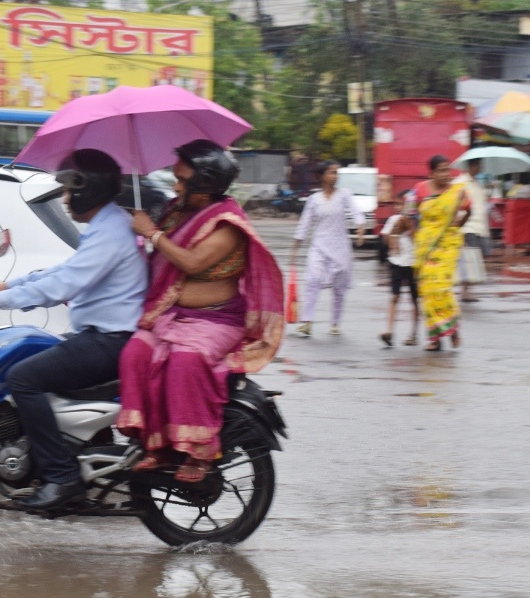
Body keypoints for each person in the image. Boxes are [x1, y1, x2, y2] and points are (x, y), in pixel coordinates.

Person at [0, 149, 147, 510]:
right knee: (27, 354)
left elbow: (64, 286)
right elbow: (62, 272)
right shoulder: (106, 225)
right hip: (101, 337)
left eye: (67, 190)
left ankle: (62, 478)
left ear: (86, 189)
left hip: (109, 341)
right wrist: (3, 286)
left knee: (22, 378)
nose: (64, 199)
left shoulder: (110, 230)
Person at [115, 139, 284, 484]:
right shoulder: (178, 211)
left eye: (182, 180)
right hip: (170, 315)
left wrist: (152, 232)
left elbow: (191, 261)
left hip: (216, 320)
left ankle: (199, 452)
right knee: (134, 354)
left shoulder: (226, 224)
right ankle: (156, 445)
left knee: (185, 362)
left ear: (205, 188)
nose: (175, 186)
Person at [290, 160, 366, 337]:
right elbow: (305, 224)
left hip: (340, 247)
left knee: (339, 287)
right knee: (313, 279)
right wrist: (295, 249)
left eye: (337, 173)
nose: (335, 176)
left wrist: (360, 228)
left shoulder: (344, 195)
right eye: (332, 172)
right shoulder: (314, 199)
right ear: (322, 176)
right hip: (319, 246)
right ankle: (307, 321)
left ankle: (335, 322)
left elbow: (356, 213)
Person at [412, 155, 470, 352]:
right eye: (441, 170)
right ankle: (435, 338)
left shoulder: (457, 192)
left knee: (441, 287)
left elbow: (469, 210)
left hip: (447, 245)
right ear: (431, 173)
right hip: (426, 246)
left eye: (448, 170)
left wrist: (457, 226)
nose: (446, 174)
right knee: (426, 291)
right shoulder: (419, 190)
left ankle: (453, 331)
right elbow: (408, 213)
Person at [379, 191, 419, 347]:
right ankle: (389, 331)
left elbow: (419, 241)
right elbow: (385, 238)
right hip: (396, 262)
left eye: (401, 204)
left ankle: (413, 334)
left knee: (414, 300)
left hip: (413, 263)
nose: (399, 207)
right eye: (396, 204)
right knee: (394, 296)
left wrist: (409, 229)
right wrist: (394, 235)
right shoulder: (393, 220)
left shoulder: (416, 221)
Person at [455, 158, 491, 302]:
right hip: (467, 226)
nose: (480, 168)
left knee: (480, 255)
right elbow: (455, 202)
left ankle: (467, 289)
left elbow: (482, 205)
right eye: (478, 165)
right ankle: (465, 291)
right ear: (471, 165)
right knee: (469, 258)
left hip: (480, 227)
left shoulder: (477, 184)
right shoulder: (460, 182)